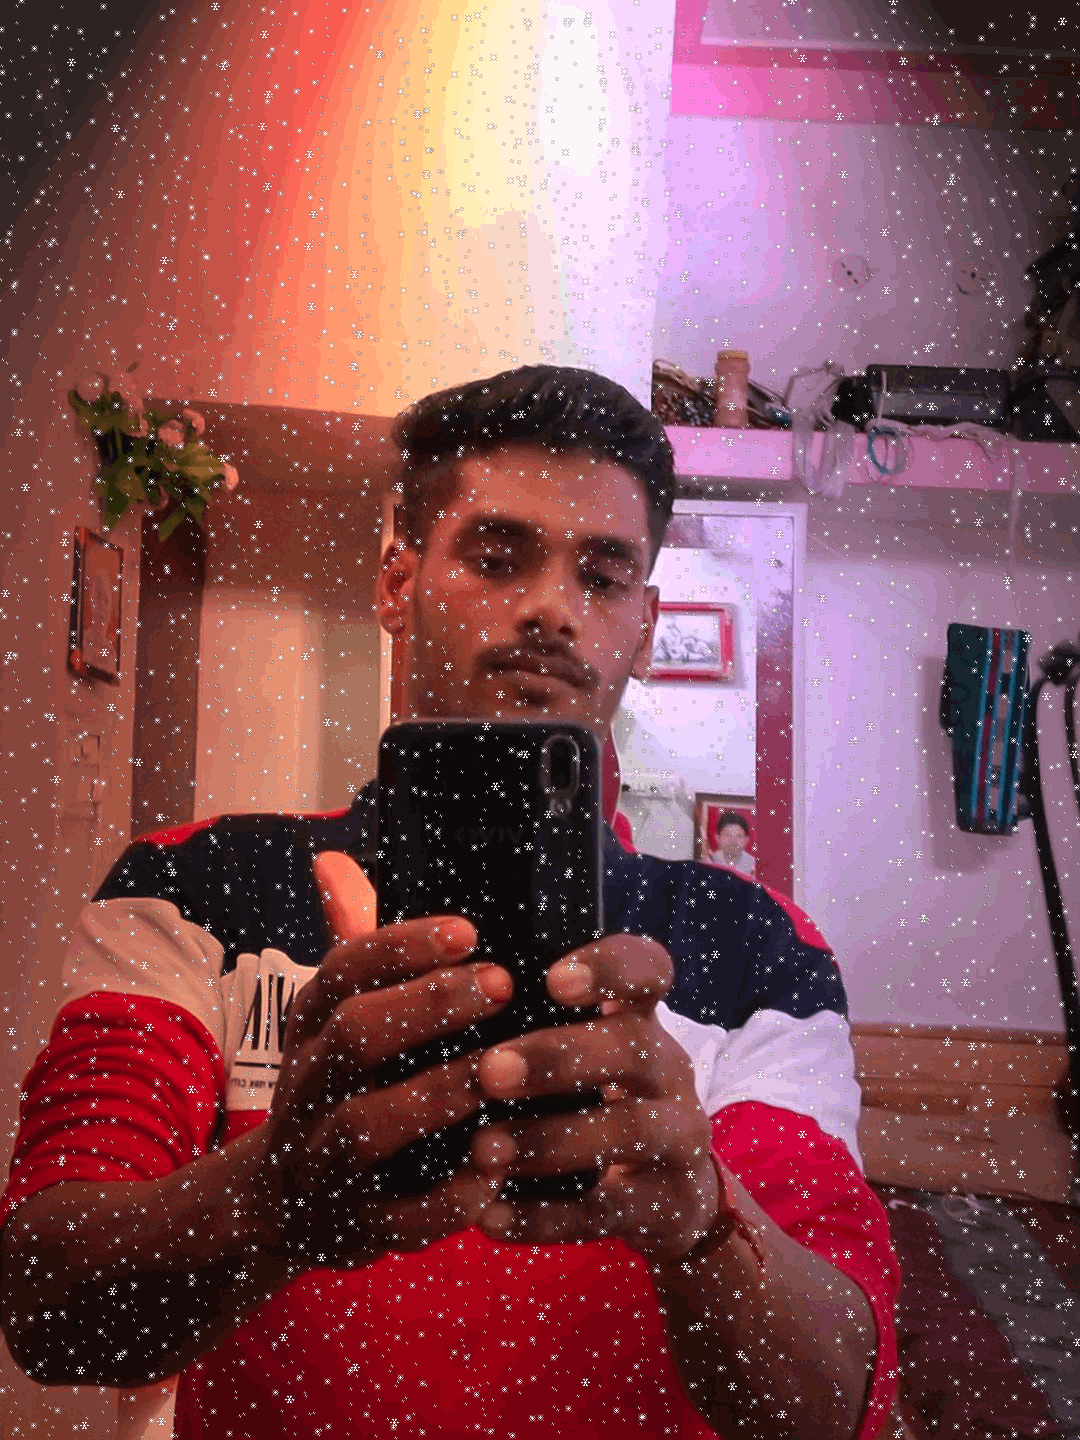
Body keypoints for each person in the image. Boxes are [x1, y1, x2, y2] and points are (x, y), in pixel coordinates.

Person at [0, 366, 900, 1440]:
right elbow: (49, 1311)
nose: (552, 610)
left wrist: (704, 1220)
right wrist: (273, 1196)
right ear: (397, 581)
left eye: (603, 576)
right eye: (498, 557)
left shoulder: (752, 948)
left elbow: (836, 1404)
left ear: (645, 627)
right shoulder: (197, 890)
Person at [707, 810, 756, 877]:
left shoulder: (754, 865)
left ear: (746, 840)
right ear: (717, 838)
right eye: (727, 835)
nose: (733, 840)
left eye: (739, 836)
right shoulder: (710, 863)